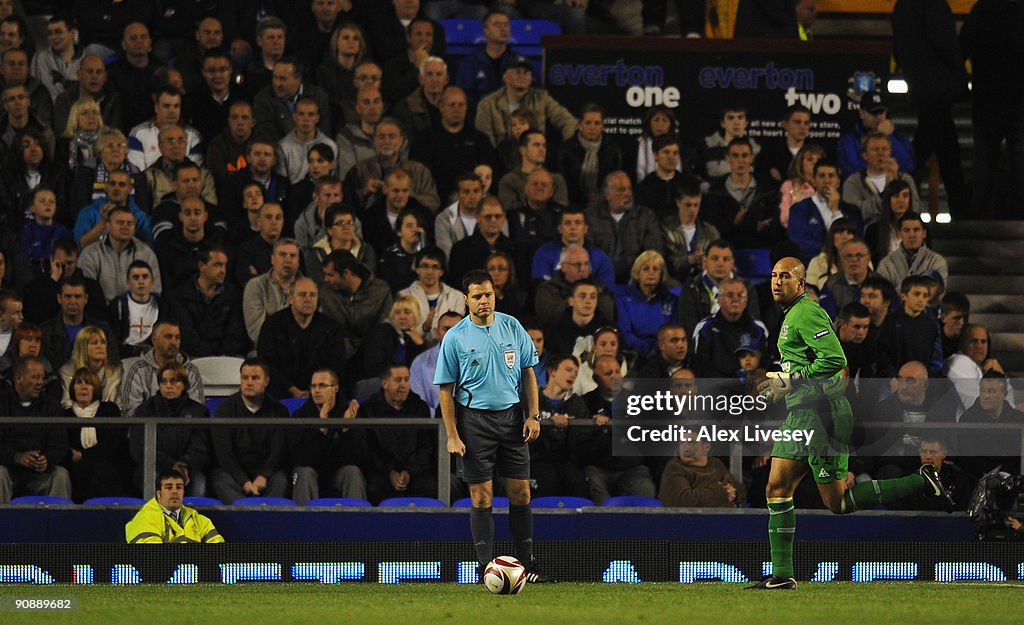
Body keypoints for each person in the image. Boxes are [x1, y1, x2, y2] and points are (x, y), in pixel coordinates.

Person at [747, 257, 952, 590]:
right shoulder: (789, 316)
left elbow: (835, 360)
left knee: (837, 502)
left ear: (801, 283)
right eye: (773, 275)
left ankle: (922, 480)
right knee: (777, 489)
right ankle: (782, 575)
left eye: (785, 276)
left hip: (822, 414)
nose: (776, 281)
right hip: (802, 413)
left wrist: (792, 379)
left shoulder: (807, 312)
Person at [434, 269, 551, 583]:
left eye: (488, 294)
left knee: (521, 493)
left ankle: (528, 564)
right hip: (474, 422)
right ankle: (485, 566)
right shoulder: (455, 337)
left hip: (512, 419)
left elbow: (528, 373)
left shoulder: (512, 326)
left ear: (494, 294)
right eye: (477, 296)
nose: (484, 301)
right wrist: (452, 435)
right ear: (466, 299)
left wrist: (533, 415)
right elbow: (445, 389)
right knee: (482, 498)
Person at [210, 358, 290, 503]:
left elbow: (278, 451)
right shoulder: (224, 410)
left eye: (255, 378)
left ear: (266, 381)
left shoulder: (279, 411)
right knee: (220, 480)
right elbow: (224, 454)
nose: (249, 382)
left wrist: (263, 476)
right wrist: (244, 482)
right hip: (234, 474)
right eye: (245, 378)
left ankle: (268, 521)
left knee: (282, 480)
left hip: (267, 474)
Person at [359, 363, 436, 503]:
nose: (403, 385)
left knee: (429, 486)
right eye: (398, 380)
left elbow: (426, 447)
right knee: (374, 488)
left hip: (415, 471)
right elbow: (368, 449)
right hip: (382, 471)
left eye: (406, 380)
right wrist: (390, 472)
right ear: (384, 383)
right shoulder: (368, 409)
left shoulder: (420, 407)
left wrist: (408, 471)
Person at [288, 368, 366, 505]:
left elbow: (356, 458)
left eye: (322, 385)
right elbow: (300, 458)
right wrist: (322, 428)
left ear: (335, 388)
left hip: (337, 473)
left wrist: (346, 428)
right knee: (303, 472)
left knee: (352, 472)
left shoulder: (348, 414)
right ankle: (304, 524)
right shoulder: (300, 416)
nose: (317, 390)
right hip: (311, 471)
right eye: (313, 386)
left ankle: (356, 522)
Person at [0, 356, 71, 503]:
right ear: (18, 379)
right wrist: (17, 457)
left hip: (41, 473)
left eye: (42, 378)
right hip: (8, 468)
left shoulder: (51, 405)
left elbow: (59, 443)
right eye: (34, 377)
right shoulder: (2, 403)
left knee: (61, 474)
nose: (40, 382)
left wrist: (47, 459)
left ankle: (60, 523)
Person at [64, 367, 128, 501]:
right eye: (79, 383)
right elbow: (63, 443)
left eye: (88, 383)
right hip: (76, 470)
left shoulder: (109, 410)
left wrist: (83, 455)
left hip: (106, 467)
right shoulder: (65, 415)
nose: (83, 387)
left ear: (96, 388)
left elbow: (114, 442)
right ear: (72, 388)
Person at [124, 470, 224, 543]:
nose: (175, 492)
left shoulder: (199, 520)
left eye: (179, 487)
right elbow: (151, 559)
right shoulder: (145, 518)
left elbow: (219, 552)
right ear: (158, 494)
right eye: (169, 487)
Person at [659, 437, 746, 507]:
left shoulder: (715, 463)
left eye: (691, 443)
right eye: (682, 443)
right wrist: (722, 493)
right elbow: (684, 500)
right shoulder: (675, 467)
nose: (685, 448)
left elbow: (738, 489)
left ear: (706, 447)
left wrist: (734, 493)